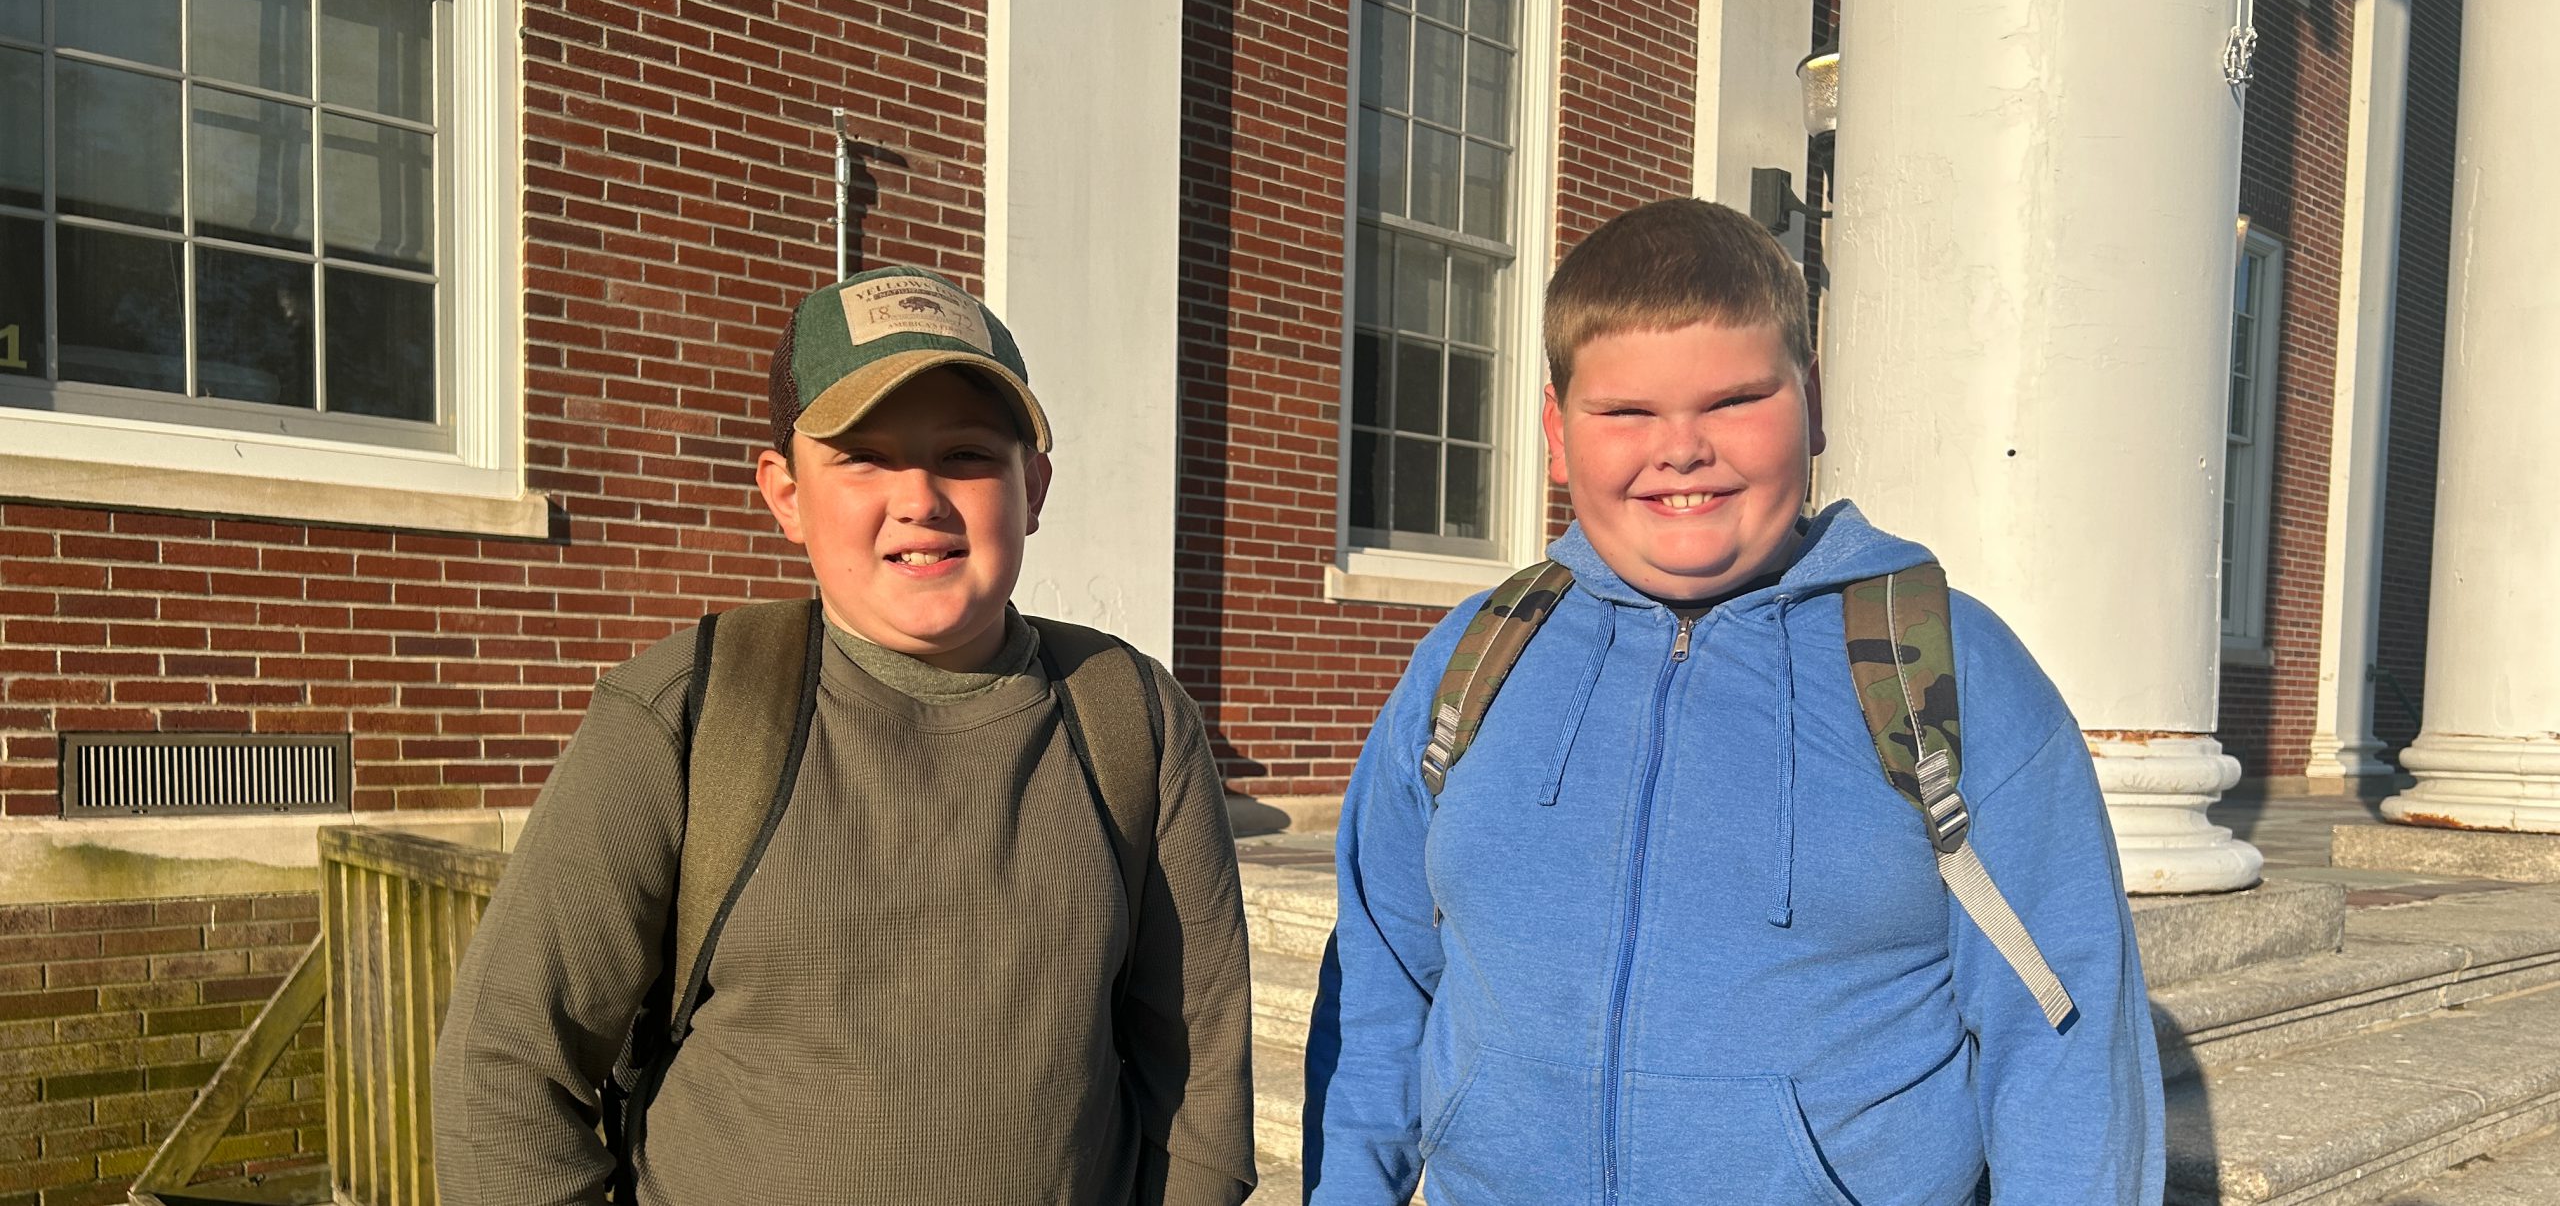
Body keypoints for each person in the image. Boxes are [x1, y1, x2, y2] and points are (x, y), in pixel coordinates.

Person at [1303, 199, 2162, 1204]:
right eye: (1625, 412)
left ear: (1813, 400)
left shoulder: (1949, 673)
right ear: (1555, 429)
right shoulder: (1473, 657)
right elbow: (1378, 993)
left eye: (1734, 401)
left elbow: (2061, 1048)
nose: (1680, 449)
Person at [433, 266, 1258, 1205]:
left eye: (967, 455)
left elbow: (1198, 1090)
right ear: (786, 493)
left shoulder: (1132, 719)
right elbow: (502, 1071)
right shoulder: (684, 713)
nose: (920, 499)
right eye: (863, 456)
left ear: (1033, 488)